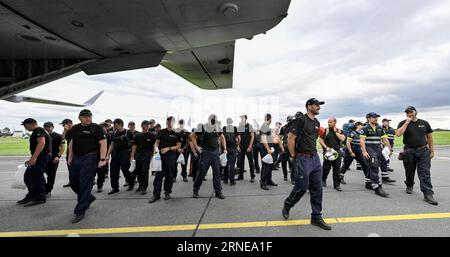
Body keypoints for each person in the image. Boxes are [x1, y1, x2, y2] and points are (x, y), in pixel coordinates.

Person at [282, 98, 331, 231]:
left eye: (319, 105)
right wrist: (293, 156)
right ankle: (288, 204)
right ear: (309, 107)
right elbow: (290, 138)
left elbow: (313, 139)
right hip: (302, 158)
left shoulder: (316, 122)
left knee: (318, 188)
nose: (318, 107)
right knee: (301, 188)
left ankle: (316, 216)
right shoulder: (301, 120)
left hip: (314, 158)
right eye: (316, 105)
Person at [66, 109, 107, 223]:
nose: (88, 118)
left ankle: (80, 210)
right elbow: (71, 142)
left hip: (90, 158)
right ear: (80, 118)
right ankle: (89, 198)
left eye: (89, 116)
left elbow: (103, 143)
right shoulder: (75, 128)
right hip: (76, 158)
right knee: (73, 183)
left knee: (85, 184)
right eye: (85, 116)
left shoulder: (96, 128)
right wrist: (70, 157)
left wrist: (102, 159)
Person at [396, 106, 437, 205]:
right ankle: (409, 184)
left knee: (424, 172)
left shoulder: (424, 123)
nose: (409, 113)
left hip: (423, 150)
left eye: (411, 112)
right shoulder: (403, 123)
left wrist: (432, 150)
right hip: (409, 150)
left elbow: (430, 137)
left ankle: (428, 193)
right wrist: (407, 122)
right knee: (409, 170)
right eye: (407, 112)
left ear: (416, 112)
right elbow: (398, 134)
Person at [17, 118, 52, 207]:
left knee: (35, 176)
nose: (25, 128)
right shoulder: (37, 131)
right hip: (40, 157)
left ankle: (40, 197)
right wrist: (32, 158)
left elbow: (41, 143)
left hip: (42, 157)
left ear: (31, 124)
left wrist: (34, 158)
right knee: (29, 176)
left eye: (26, 125)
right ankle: (33, 195)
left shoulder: (39, 130)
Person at [192, 114, 227, 199]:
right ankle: (195, 190)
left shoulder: (217, 127)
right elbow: (192, 136)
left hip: (215, 154)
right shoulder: (203, 126)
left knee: (217, 174)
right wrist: (196, 147)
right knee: (201, 173)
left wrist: (225, 148)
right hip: (205, 154)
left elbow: (222, 137)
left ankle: (218, 192)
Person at [359, 112, 392, 198]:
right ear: (368, 119)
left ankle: (368, 183)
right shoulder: (365, 128)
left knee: (381, 164)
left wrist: (389, 148)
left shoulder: (380, 128)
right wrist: (364, 151)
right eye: (373, 117)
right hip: (370, 148)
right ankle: (377, 187)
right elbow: (362, 140)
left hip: (378, 149)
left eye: (376, 117)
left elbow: (385, 139)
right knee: (374, 166)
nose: (376, 118)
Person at [149, 116, 181, 203]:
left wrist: (168, 148)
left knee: (169, 175)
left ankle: (167, 192)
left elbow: (178, 145)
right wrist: (155, 151)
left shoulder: (177, 133)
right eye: (168, 122)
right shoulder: (162, 132)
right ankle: (156, 195)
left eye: (171, 122)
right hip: (161, 156)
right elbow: (157, 143)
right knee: (158, 175)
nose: (169, 124)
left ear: (174, 123)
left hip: (171, 156)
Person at [106, 118, 135, 194]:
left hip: (125, 153)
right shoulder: (114, 133)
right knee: (113, 170)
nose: (114, 126)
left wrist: (132, 156)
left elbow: (133, 145)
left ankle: (131, 183)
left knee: (125, 169)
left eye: (115, 124)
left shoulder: (128, 132)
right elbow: (111, 144)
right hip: (116, 153)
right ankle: (115, 188)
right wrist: (108, 154)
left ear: (120, 124)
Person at [340, 122, 371, 189]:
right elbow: (348, 143)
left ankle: (368, 180)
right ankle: (340, 177)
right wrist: (351, 152)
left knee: (364, 164)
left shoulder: (361, 133)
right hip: (351, 151)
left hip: (358, 152)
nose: (363, 126)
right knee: (346, 165)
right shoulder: (352, 133)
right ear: (357, 126)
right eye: (361, 125)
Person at [319, 117, 346, 191]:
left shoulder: (340, 131)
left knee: (337, 169)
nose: (329, 123)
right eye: (328, 122)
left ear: (335, 122)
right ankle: (323, 180)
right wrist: (326, 147)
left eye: (330, 122)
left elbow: (343, 139)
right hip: (328, 152)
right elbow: (320, 140)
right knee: (326, 168)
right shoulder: (325, 130)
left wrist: (336, 132)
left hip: (337, 152)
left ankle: (337, 185)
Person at [130, 120, 156, 194]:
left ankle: (144, 187)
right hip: (138, 154)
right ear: (142, 126)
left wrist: (153, 156)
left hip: (147, 154)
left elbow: (154, 146)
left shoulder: (152, 135)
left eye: (148, 125)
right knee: (138, 170)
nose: (147, 126)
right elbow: (134, 146)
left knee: (145, 171)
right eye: (145, 125)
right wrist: (132, 156)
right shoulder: (137, 135)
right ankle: (140, 185)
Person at [259, 114, 283, 190]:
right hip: (265, 148)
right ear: (269, 119)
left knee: (270, 165)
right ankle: (263, 182)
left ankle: (269, 180)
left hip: (269, 147)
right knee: (266, 165)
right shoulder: (264, 126)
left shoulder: (267, 126)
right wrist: (268, 149)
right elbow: (263, 138)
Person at [43, 122, 65, 196]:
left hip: (54, 158)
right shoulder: (43, 136)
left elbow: (62, 147)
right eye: (45, 127)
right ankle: (43, 188)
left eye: (49, 127)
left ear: (53, 127)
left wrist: (58, 156)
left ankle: (48, 190)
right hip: (44, 158)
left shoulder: (58, 136)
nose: (47, 128)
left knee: (51, 175)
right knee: (38, 174)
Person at [237, 115, 256, 182]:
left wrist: (250, 146)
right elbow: (238, 137)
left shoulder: (249, 126)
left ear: (245, 118)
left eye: (242, 118)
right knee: (240, 162)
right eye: (241, 118)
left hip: (248, 147)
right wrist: (238, 146)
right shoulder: (239, 127)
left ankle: (252, 176)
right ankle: (240, 176)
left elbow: (252, 136)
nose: (241, 119)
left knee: (251, 162)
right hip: (241, 147)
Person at [222, 118, 240, 185]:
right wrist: (237, 146)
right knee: (232, 165)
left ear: (226, 122)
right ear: (232, 122)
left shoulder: (224, 128)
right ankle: (232, 181)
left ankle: (225, 180)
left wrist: (222, 148)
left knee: (226, 164)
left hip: (225, 149)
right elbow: (239, 138)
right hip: (233, 148)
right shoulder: (235, 128)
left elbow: (220, 138)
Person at [280, 116, 295, 182]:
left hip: (291, 147)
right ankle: (285, 175)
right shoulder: (283, 127)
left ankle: (292, 178)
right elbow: (280, 137)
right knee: (284, 162)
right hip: (285, 147)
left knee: (292, 163)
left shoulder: (294, 128)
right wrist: (281, 146)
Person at [60, 118, 74, 188]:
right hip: (69, 151)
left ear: (69, 123)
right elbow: (62, 138)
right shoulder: (67, 131)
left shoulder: (76, 129)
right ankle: (71, 181)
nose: (63, 126)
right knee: (70, 166)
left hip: (77, 151)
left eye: (64, 125)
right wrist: (65, 131)